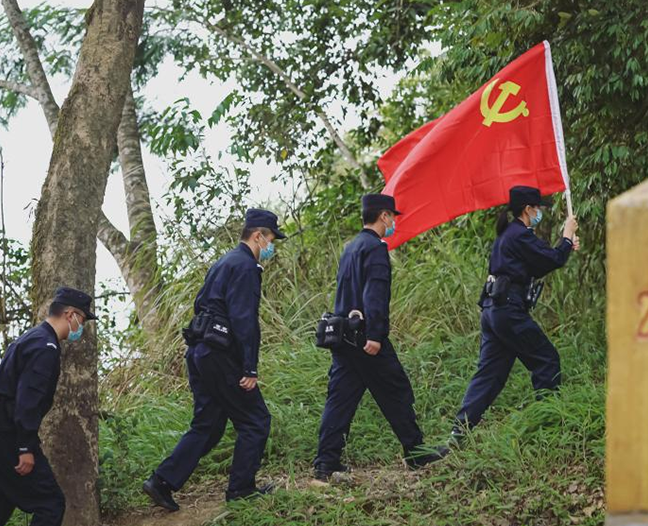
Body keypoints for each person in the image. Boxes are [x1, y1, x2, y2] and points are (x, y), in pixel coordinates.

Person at [143, 209, 285, 510]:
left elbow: (201, 304)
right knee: (256, 421)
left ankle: (161, 481)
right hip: (221, 355)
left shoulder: (224, 262)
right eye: (271, 239)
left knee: (208, 423)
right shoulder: (246, 266)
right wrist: (249, 367)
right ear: (258, 236)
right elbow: (244, 320)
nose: (271, 246)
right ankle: (241, 490)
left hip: (199, 350)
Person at [313, 193, 447, 481]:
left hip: (343, 336)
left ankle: (326, 463)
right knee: (396, 390)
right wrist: (374, 335)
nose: (393, 222)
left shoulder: (350, 248)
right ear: (384, 216)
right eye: (392, 216)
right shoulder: (375, 248)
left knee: (340, 399)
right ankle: (416, 452)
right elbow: (375, 293)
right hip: (365, 338)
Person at [451, 186, 579, 444]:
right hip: (507, 310)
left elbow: (537, 265)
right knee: (546, 360)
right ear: (527, 209)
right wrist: (566, 236)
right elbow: (551, 259)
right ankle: (549, 428)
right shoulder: (519, 234)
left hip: (493, 311)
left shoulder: (508, 235)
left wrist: (565, 246)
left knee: (489, 374)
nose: (540, 212)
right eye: (538, 208)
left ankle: (459, 432)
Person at [0, 286, 98, 526]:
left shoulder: (31, 337)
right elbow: (27, 401)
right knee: (50, 504)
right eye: (82, 320)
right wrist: (25, 447)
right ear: (70, 314)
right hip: (6, 433)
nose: (82, 327)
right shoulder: (45, 347)